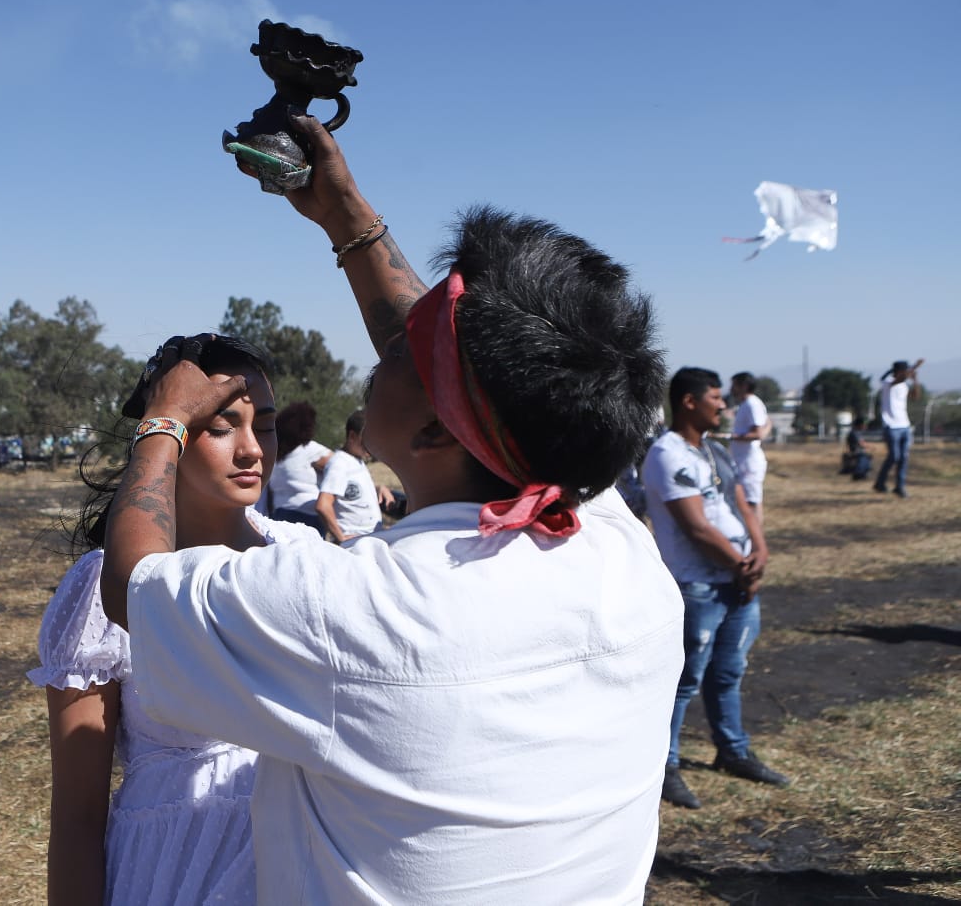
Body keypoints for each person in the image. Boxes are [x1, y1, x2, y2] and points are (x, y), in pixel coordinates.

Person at [99, 114, 683, 902]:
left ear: (441, 425)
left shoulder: (354, 610)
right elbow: (473, 372)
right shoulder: (615, 545)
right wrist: (342, 213)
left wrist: (165, 419)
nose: (393, 343)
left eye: (411, 351)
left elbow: (133, 580)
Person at [30, 336, 319, 906]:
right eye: (219, 427)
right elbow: (77, 818)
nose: (252, 450)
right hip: (178, 874)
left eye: (263, 425)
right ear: (165, 436)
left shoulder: (303, 553)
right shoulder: (100, 590)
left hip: (307, 863)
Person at [643, 367, 789, 810]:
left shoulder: (714, 450)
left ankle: (733, 751)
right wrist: (742, 566)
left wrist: (759, 551)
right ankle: (664, 768)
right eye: (715, 398)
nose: (724, 406)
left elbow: (743, 503)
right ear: (689, 401)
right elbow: (697, 528)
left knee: (729, 673)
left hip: (737, 581)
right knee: (684, 681)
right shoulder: (667, 454)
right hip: (698, 585)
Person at [314, 409, 387, 543]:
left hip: (368, 539)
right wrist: (341, 537)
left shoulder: (356, 460)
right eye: (366, 440)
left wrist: (378, 489)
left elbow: (351, 489)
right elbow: (323, 505)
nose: (371, 445)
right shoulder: (340, 463)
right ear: (352, 436)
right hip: (355, 542)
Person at [264, 401, 330, 532]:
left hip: (280, 516)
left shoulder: (276, 457)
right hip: (308, 516)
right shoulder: (310, 450)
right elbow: (341, 466)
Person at [874, 358, 923, 498]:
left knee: (903, 458)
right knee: (894, 456)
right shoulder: (887, 382)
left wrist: (915, 381)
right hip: (891, 426)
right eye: (905, 370)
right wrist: (914, 368)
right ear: (899, 371)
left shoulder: (904, 385)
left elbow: (915, 397)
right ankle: (880, 482)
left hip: (904, 425)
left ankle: (899, 487)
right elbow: (898, 380)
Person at [727, 372, 771, 524]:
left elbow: (757, 433)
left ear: (744, 386)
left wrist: (729, 436)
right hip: (743, 460)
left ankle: (755, 540)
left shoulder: (752, 403)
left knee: (751, 502)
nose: (731, 389)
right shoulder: (746, 404)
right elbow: (766, 425)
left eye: (734, 385)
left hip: (749, 461)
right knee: (747, 501)